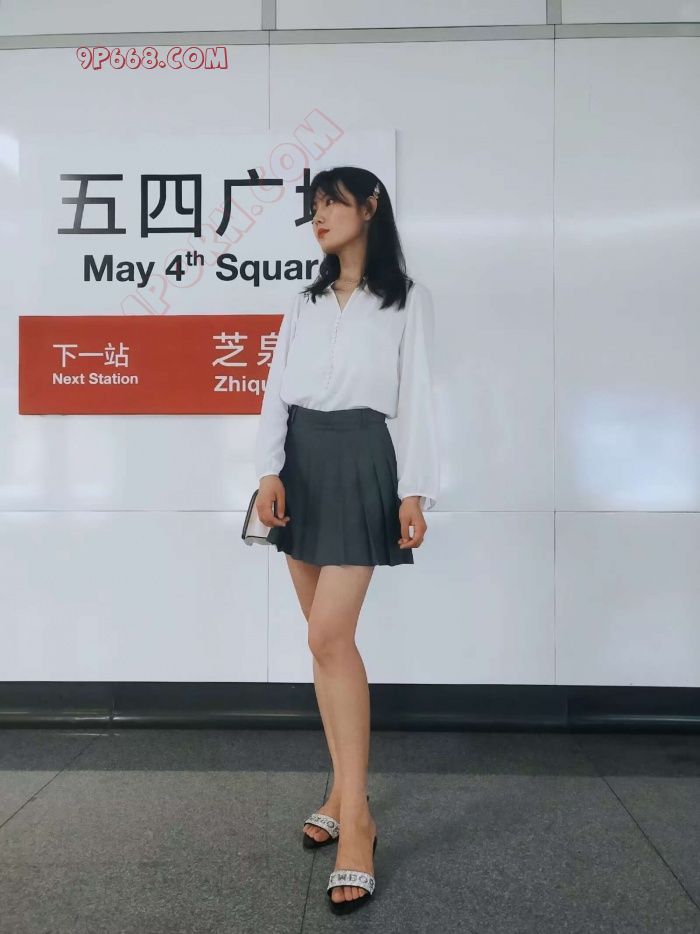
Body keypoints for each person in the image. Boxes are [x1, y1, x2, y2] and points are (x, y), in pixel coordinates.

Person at [252, 166, 440, 914]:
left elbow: (417, 397)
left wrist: (415, 488)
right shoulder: (302, 301)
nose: (320, 217)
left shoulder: (406, 300)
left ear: (370, 207)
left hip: (363, 457)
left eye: (331, 203)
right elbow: (275, 391)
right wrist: (268, 470)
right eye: (313, 208)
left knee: (328, 636)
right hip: (301, 461)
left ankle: (356, 819)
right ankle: (340, 788)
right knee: (324, 642)